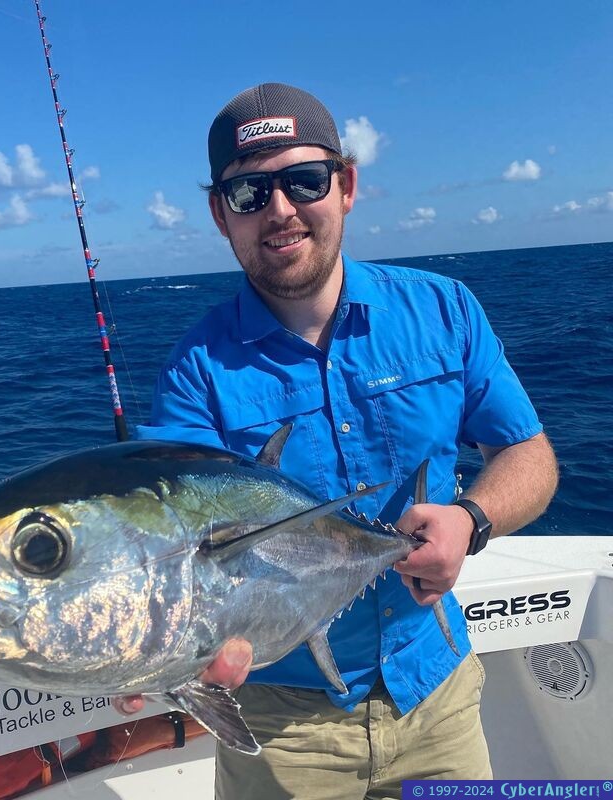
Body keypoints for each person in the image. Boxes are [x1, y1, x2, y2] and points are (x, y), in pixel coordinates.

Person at [117, 83, 558, 798]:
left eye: (304, 181)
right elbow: (168, 543)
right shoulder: (195, 373)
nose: (280, 209)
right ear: (220, 215)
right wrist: (142, 643)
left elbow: (528, 455)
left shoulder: (444, 310)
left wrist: (471, 519)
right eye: (248, 193)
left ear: (346, 186)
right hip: (280, 728)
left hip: (438, 694)